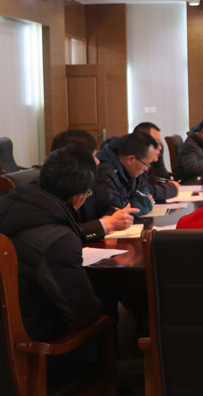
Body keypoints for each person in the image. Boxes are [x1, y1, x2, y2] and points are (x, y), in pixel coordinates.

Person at [0, 145, 102, 341]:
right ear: (78, 198)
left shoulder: (9, 204)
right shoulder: (58, 240)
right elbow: (83, 315)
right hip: (28, 339)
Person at [50, 129, 138, 240]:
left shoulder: (88, 181)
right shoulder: (48, 189)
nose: (97, 161)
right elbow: (57, 233)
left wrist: (110, 218)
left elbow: (104, 207)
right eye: (93, 156)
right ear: (76, 160)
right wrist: (103, 226)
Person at [95, 131, 159, 217]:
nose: (146, 169)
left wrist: (137, 199)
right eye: (147, 164)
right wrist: (146, 203)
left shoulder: (129, 167)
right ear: (131, 159)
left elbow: (142, 189)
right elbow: (117, 210)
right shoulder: (105, 173)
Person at [133, 122, 180, 202]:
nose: (160, 147)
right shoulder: (134, 163)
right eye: (156, 142)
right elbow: (144, 193)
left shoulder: (147, 165)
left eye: (159, 143)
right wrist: (172, 188)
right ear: (141, 142)